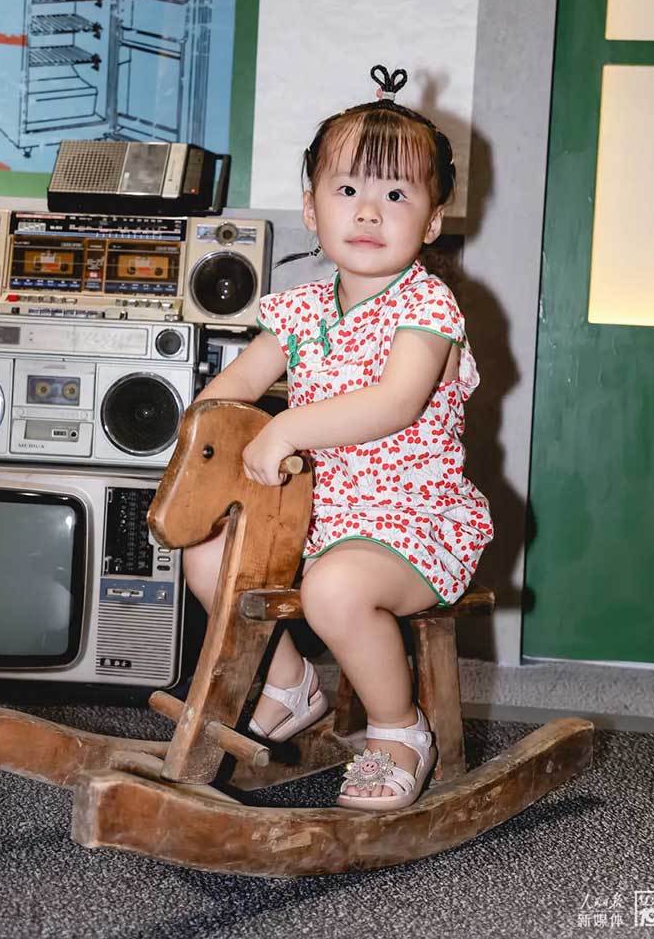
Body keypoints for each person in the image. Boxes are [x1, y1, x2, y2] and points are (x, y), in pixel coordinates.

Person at [186, 65, 493, 811]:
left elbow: (393, 403)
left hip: (411, 524)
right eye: (347, 189)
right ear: (311, 208)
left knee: (336, 587)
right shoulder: (297, 312)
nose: (368, 211)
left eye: (397, 195)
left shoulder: (427, 306)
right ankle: (290, 683)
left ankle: (398, 731)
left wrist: (289, 425)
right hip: (316, 519)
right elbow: (227, 394)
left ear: (431, 221)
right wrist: (210, 437)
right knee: (206, 553)